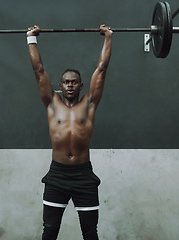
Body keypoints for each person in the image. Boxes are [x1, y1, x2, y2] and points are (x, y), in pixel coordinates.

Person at [27, 24, 113, 240]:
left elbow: (101, 69)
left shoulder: (89, 104)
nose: (70, 86)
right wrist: (31, 39)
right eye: (66, 82)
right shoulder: (51, 104)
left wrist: (108, 37)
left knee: (90, 233)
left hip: (83, 176)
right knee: (50, 231)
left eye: (74, 82)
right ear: (60, 85)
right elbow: (38, 70)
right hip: (57, 175)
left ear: (81, 85)